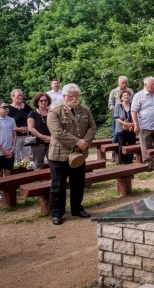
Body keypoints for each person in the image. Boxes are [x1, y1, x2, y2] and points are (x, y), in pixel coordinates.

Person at [47, 83, 97, 225]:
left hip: (78, 154)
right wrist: (77, 142)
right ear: (64, 96)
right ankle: (57, 213)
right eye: (71, 96)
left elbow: (92, 127)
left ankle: (77, 208)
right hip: (60, 155)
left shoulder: (84, 110)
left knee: (78, 183)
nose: (74, 98)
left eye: (76, 96)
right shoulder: (55, 112)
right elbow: (58, 132)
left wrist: (85, 142)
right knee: (58, 186)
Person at [131, 76, 154, 170]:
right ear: (145, 84)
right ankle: (148, 164)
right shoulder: (139, 95)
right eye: (151, 84)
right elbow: (134, 111)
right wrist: (136, 125)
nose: (153, 86)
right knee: (146, 146)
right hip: (144, 126)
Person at [107, 76, 134, 161]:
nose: (124, 84)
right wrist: (117, 110)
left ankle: (129, 156)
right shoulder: (114, 91)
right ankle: (114, 155)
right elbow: (110, 104)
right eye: (122, 83)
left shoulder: (130, 91)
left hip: (129, 116)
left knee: (130, 137)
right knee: (116, 136)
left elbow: (133, 102)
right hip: (118, 117)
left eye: (126, 83)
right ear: (118, 83)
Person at [27, 92, 52, 170]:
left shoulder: (52, 112)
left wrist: (52, 138)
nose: (44, 102)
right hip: (38, 143)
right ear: (37, 102)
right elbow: (31, 128)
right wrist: (42, 137)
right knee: (38, 166)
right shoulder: (32, 113)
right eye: (41, 100)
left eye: (45, 100)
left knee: (53, 164)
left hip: (51, 142)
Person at [7, 88, 33, 162]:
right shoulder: (8, 109)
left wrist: (29, 128)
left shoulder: (27, 107)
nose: (20, 97)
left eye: (21, 95)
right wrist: (17, 129)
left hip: (27, 136)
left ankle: (26, 169)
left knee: (27, 158)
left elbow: (32, 119)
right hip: (15, 137)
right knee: (15, 156)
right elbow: (5, 123)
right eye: (18, 95)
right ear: (12, 97)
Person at [112, 91, 135, 164]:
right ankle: (122, 161)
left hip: (131, 128)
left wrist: (133, 124)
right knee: (122, 145)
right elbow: (116, 117)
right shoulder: (118, 106)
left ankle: (130, 160)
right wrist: (124, 123)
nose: (126, 96)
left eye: (127, 95)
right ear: (121, 98)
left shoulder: (132, 105)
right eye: (124, 95)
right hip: (121, 129)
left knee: (131, 144)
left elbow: (136, 116)